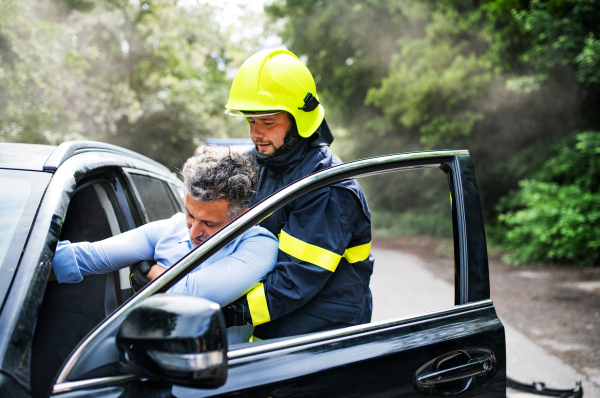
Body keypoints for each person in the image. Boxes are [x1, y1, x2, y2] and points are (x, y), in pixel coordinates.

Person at [222, 49, 375, 340]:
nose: (256, 133)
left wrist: (225, 311)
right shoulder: (258, 164)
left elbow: (296, 278)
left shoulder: (327, 187)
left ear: (299, 122)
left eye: (268, 122)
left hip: (322, 331)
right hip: (280, 320)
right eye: (251, 121)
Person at [51, 148, 279, 312]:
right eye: (190, 215)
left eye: (209, 223)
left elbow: (191, 298)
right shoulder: (169, 229)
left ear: (241, 216)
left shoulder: (260, 244)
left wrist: (150, 272)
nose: (193, 232)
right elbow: (87, 257)